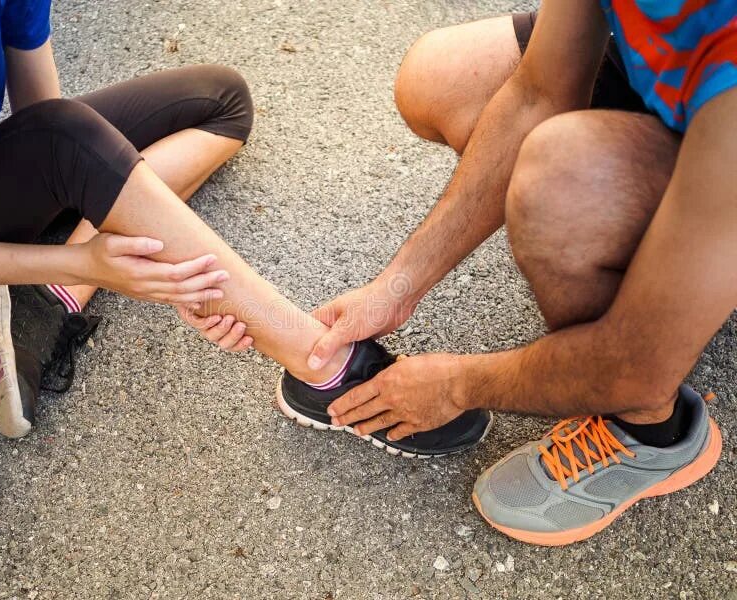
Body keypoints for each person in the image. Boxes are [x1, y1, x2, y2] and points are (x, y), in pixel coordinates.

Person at [205, 0, 736, 544]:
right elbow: (536, 94)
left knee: (564, 183)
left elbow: (636, 366)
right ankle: (657, 269)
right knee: (440, 77)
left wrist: (457, 385)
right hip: (687, 96)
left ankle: (651, 432)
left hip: (725, 140)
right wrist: (399, 283)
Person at [0, 0, 491, 455]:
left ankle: (50, 297)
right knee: (68, 143)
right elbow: (55, 143)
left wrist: (152, 245)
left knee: (220, 100)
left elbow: (44, 133)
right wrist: (75, 257)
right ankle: (324, 366)